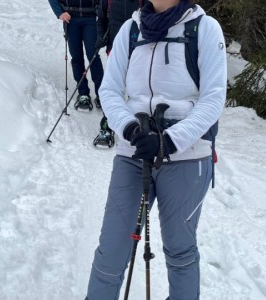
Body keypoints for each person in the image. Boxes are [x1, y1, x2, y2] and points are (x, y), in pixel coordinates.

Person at [85, 0, 227, 298]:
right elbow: (109, 90)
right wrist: (129, 128)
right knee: (112, 249)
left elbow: (213, 98)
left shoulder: (204, 28)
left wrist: (169, 140)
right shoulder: (130, 30)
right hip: (134, 153)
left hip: (188, 156)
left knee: (180, 250)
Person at [92, 0, 146, 147]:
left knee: (138, 87)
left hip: (140, 48)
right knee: (113, 86)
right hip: (115, 46)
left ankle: (139, 122)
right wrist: (100, 36)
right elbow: (101, 18)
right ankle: (108, 125)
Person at [48, 0, 104, 110]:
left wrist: (99, 10)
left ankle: (102, 94)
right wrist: (59, 13)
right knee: (76, 56)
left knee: (93, 56)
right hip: (71, 19)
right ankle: (83, 93)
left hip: (91, 18)